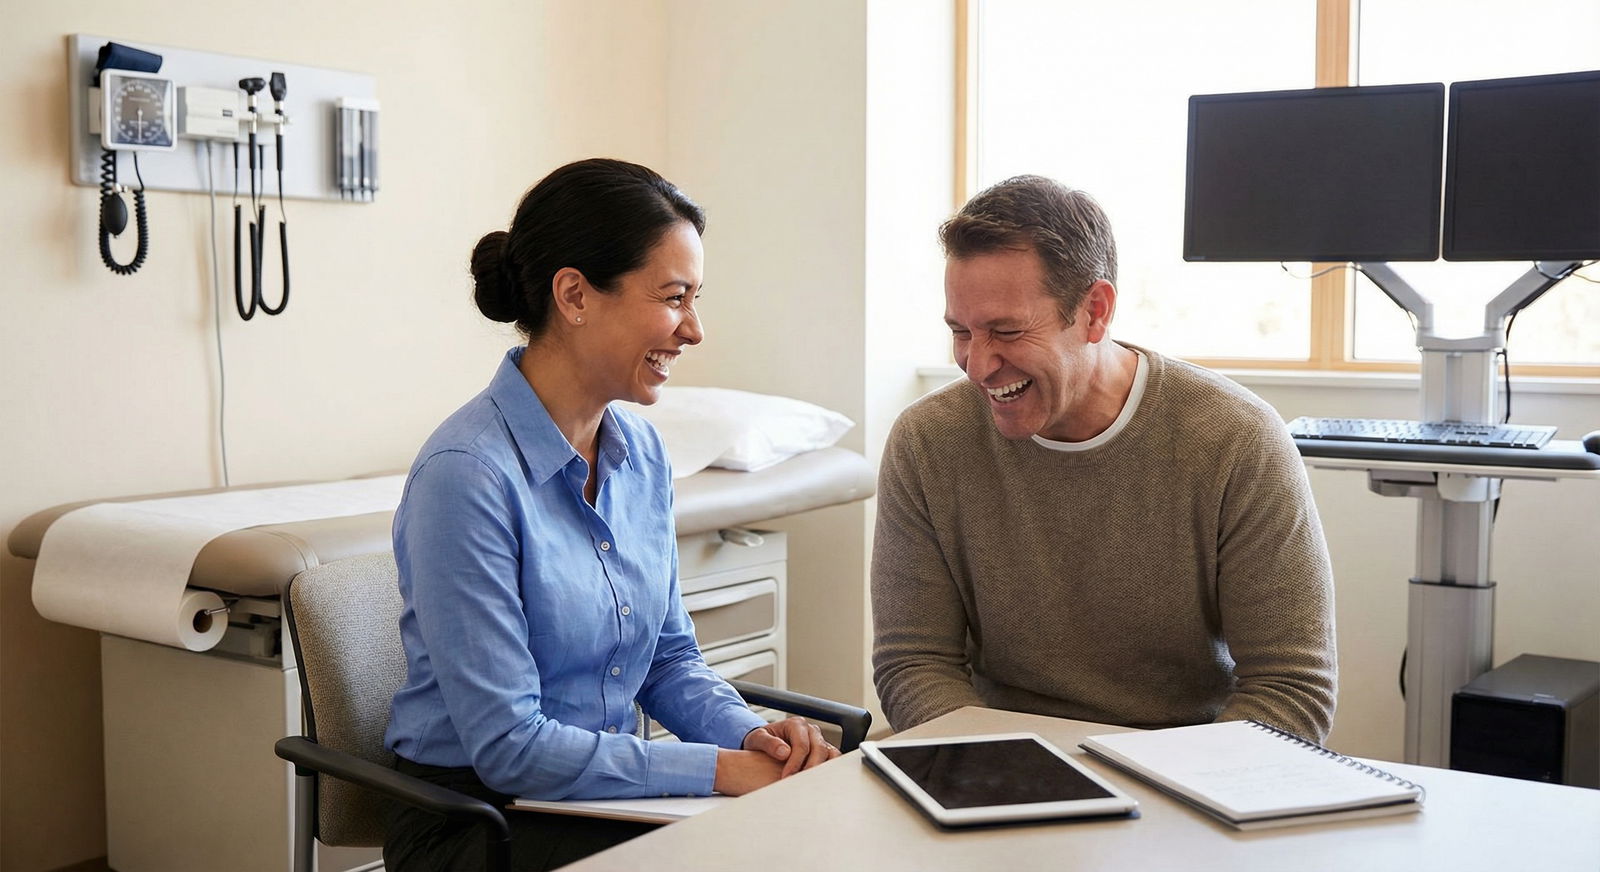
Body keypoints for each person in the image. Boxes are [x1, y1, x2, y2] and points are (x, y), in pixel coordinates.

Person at [384, 158, 838, 871]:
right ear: (575, 294)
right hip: (476, 819)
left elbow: (666, 658)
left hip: (597, 799)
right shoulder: (466, 478)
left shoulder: (643, 456)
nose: (693, 330)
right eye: (673, 297)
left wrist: (751, 739)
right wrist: (719, 771)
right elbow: (510, 749)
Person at [871, 175, 1337, 743]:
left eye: (1008, 330)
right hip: (996, 763)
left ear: (1095, 311)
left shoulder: (1234, 439)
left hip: (1184, 772)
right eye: (960, 331)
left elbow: (1292, 689)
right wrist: (998, 770)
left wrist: (1159, 792)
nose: (976, 365)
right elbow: (913, 664)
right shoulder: (928, 441)